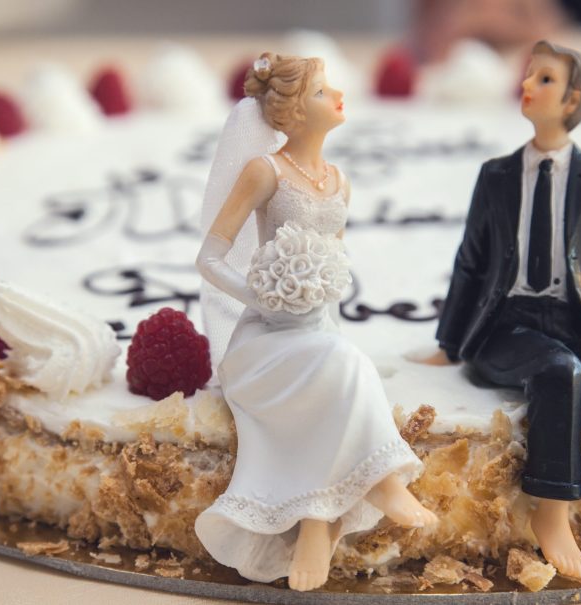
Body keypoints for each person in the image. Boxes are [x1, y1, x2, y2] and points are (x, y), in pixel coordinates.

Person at [422, 40, 581, 588]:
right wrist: (450, 343)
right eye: (529, 76)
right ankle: (551, 511)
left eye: (542, 80)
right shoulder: (496, 175)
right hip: (506, 326)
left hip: (574, 322)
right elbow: (471, 261)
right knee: (559, 369)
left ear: (571, 101)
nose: (526, 86)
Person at [194, 53, 437, 592]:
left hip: (318, 334)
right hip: (265, 340)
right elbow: (208, 259)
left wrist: (323, 315)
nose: (338, 96)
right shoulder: (265, 172)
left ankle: (315, 525)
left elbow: (335, 270)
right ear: (293, 111)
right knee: (344, 366)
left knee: (343, 362)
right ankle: (382, 478)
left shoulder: (340, 181)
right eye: (323, 91)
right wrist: (261, 297)